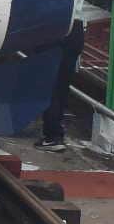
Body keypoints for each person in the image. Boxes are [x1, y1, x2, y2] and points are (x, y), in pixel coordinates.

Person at [38, 20, 89, 151]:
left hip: (54, 24)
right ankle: (55, 132)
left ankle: (52, 136)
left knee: (49, 84)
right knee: (62, 85)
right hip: (76, 29)